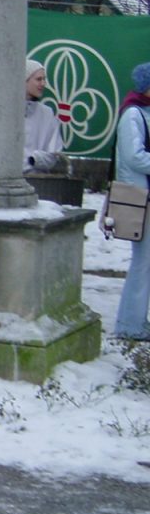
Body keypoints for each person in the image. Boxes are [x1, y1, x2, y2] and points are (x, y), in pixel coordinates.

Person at [113, 62, 150, 340]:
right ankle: (130, 325)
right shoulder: (133, 113)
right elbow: (133, 156)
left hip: (145, 194)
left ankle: (135, 321)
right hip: (139, 197)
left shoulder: (143, 111)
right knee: (143, 261)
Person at [24, 59, 64, 172]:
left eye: (44, 79)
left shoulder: (47, 113)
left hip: (37, 179)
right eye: (38, 79)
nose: (43, 84)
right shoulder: (6, 112)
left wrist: (34, 160)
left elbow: (54, 153)